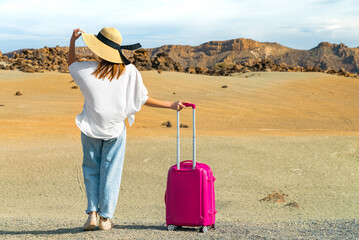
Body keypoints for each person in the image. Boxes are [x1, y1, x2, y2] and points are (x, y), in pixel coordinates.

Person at [67, 27, 191, 231]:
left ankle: (92, 214)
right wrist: (170, 104)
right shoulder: (130, 71)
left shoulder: (86, 70)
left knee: (91, 169)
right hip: (115, 130)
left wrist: (72, 41)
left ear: (98, 48)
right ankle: (106, 219)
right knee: (111, 172)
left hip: (90, 128)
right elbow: (142, 99)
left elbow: (71, 63)